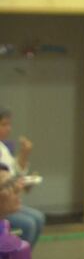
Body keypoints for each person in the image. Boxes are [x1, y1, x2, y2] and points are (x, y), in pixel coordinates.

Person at [0, 106, 45, 248]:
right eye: (4, 124)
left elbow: (15, 173)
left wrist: (24, 154)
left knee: (39, 217)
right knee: (29, 224)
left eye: (9, 124)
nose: (9, 129)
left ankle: (24, 254)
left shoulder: (3, 147)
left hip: (8, 198)